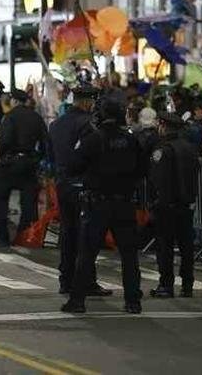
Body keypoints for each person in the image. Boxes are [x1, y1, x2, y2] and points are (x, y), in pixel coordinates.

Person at [61, 100, 145, 314]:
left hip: (98, 203)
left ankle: (77, 300)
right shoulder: (130, 140)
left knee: (87, 254)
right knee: (129, 255)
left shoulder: (93, 139)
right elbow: (142, 169)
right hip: (124, 203)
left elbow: (72, 166)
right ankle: (133, 301)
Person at [48, 85, 112, 297]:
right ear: (87, 102)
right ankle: (86, 281)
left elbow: (50, 155)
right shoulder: (87, 124)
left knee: (67, 233)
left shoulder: (56, 124)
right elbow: (92, 154)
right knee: (86, 237)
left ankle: (65, 280)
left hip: (62, 182)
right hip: (83, 184)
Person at [148, 112, 199, 299]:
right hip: (186, 204)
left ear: (163, 126)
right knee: (186, 247)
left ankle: (166, 285)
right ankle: (187, 285)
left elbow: (158, 179)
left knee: (165, 247)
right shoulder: (190, 148)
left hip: (166, 205)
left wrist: (156, 202)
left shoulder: (163, 149)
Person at [0, 89, 48, 244]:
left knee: (0, 198)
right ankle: (24, 235)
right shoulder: (36, 117)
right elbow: (45, 143)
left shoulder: (10, 117)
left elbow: (5, 141)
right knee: (28, 201)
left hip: (9, 163)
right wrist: (38, 159)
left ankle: (2, 235)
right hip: (29, 163)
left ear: (15, 101)